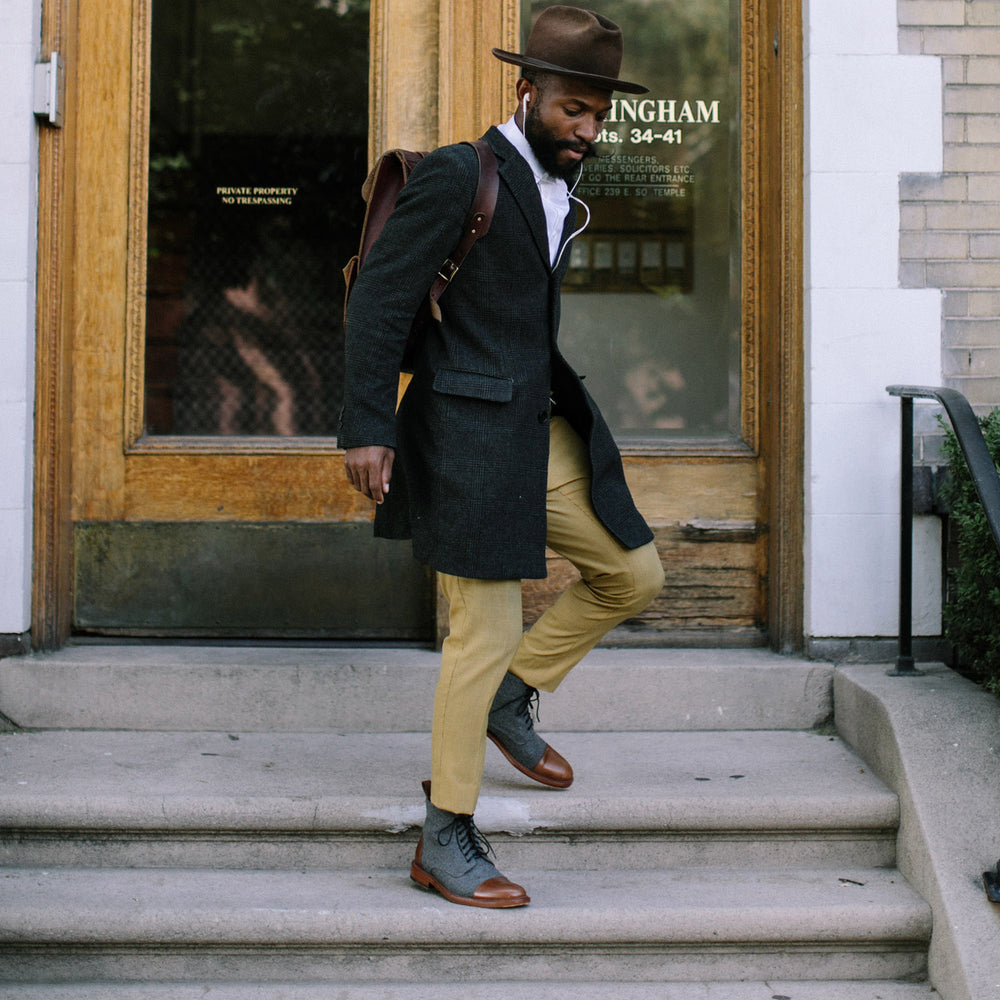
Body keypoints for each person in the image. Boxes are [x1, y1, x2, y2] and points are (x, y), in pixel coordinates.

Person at [340, 6, 665, 908]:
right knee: (480, 630)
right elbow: (378, 300)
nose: (587, 130)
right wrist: (368, 423)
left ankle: (510, 699)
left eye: (599, 115)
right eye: (571, 109)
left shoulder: (563, 184)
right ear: (525, 91)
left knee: (633, 574)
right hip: (462, 434)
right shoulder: (459, 174)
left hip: (535, 425)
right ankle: (444, 836)